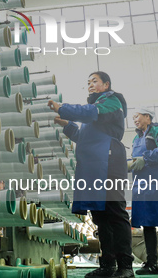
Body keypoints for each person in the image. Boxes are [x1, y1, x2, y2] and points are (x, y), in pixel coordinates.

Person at [49, 71, 133, 278]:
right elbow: (82, 137)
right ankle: (108, 265)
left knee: (114, 211)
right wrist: (66, 125)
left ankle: (125, 266)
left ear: (106, 84)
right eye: (88, 82)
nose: (90, 85)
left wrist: (64, 108)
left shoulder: (112, 101)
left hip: (109, 160)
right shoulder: (93, 116)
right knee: (101, 216)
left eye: (94, 81)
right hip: (94, 166)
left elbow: (89, 112)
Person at [129, 107, 158, 276]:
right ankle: (151, 263)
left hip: (157, 181)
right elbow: (136, 160)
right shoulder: (136, 138)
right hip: (141, 185)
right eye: (133, 117)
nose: (134, 119)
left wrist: (145, 158)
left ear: (147, 117)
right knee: (146, 223)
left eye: (137, 116)